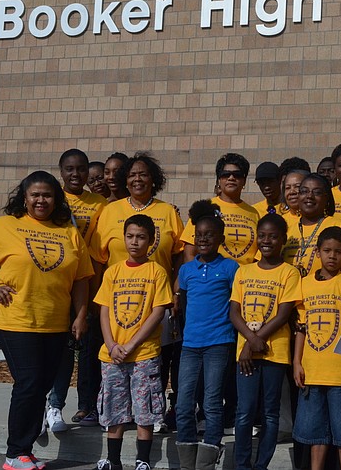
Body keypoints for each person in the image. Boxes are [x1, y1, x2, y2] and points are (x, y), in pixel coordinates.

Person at [0, 171, 93, 470]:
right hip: (14, 318)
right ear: (24, 198)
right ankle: (14, 453)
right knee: (29, 382)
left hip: (55, 321)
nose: (41, 200)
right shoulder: (6, 226)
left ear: (56, 199)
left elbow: (82, 279)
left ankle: (26, 451)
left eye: (47, 194)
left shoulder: (68, 231)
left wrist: (81, 315)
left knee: (41, 385)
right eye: (35, 195)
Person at [93, 214, 173, 470]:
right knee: (113, 407)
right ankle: (113, 460)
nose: (135, 242)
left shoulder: (157, 272)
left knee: (144, 407)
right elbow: (104, 310)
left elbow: (157, 312)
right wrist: (112, 344)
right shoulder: (112, 272)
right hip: (113, 354)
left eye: (141, 237)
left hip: (143, 354)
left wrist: (132, 345)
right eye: (130, 236)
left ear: (150, 242)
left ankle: (142, 460)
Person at [293, 226, 341, 470]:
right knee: (315, 432)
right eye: (327, 250)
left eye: (338, 252)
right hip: (312, 370)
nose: (332, 256)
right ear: (317, 252)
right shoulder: (304, 285)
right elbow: (301, 328)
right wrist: (296, 362)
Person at [230, 213, 302, 470]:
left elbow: (283, 314)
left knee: (270, 413)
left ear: (283, 239)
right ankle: (242, 465)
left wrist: (255, 341)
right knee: (244, 412)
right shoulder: (244, 271)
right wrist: (249, 341)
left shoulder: (289, 273)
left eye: (273, 236)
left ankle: (261, 465)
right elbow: (234, 312)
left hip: (274, 352)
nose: (266, 240)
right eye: (262, 236)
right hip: (246, 355)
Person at [175, 200, 240, 470]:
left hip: (219, 342)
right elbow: (184, 304)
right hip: (190, 344)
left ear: (220, 239)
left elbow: (237, 304)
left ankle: (207, 460)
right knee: (182, 404)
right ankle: (188, 461)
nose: (203, 239)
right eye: (199, 235)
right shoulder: (186, 270)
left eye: (209, 235)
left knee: (212, 403)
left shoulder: (230, 268)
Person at [48, 149, 107, 429]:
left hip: (85, 281)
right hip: (54, 281)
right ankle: (53, 405)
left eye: (81, 169)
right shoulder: (52, 197)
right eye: (69, 169)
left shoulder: (100, 203)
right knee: (56, 348)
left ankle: (85, 404)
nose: (75, 174)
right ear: (61, 171)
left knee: (81, 347)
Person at [91, 152, 183, 276]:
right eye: (132, 175)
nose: (137, 179)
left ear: (153, 180)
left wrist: (177, 290)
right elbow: (97, 258)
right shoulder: (110, 211)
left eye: (143, 175)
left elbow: (181, 255)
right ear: (125, 180)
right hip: (117, 290)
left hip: (157, 290)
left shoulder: (168, 211)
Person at [181, 153, 260, 265]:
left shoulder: (254, 213)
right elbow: (189, 252)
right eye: (225, 174)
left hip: (244, 279)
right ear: (219, 180)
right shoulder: (205, 208)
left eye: (237, 175)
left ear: (244, 181)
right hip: (212, 280)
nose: (231, 178)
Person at [283, 173, 341, 277]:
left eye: (317, 192)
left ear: (326, 199)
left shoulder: (339, 226)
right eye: (304, 191)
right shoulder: (288, 230)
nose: (309, 196)